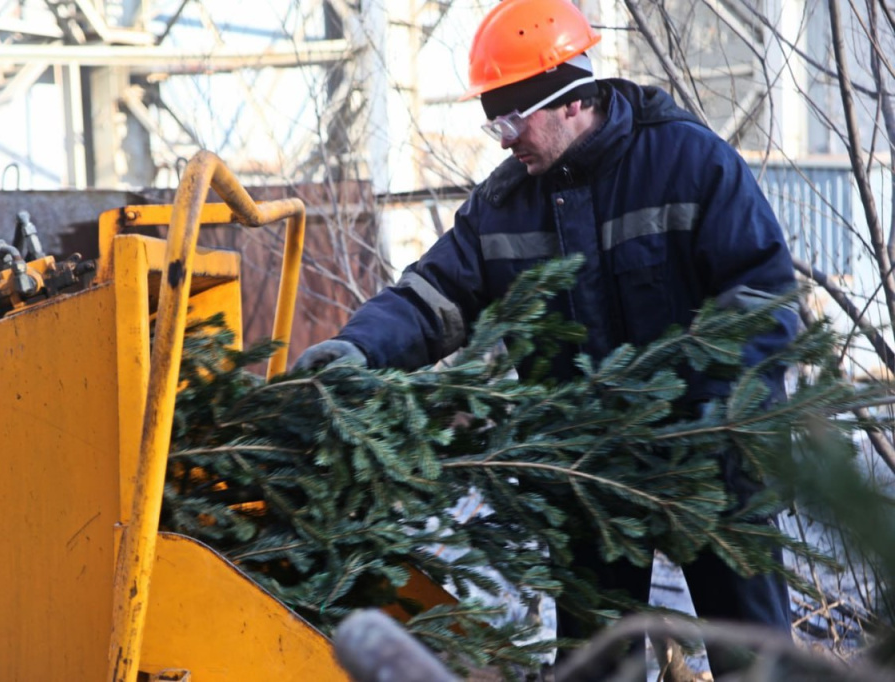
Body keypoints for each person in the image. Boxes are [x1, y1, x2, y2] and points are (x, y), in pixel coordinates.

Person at [294, 0, 798, 677]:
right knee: (594, 664)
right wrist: (357, 349)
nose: (503, 139)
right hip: (587, 475)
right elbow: (430, 296)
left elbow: (761, 295)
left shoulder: (689, 163)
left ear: (569, 103)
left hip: (715, 461)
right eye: (492, 121)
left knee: (755, 656)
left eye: (511, 119)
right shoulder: (503, 206)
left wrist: (717, 423)